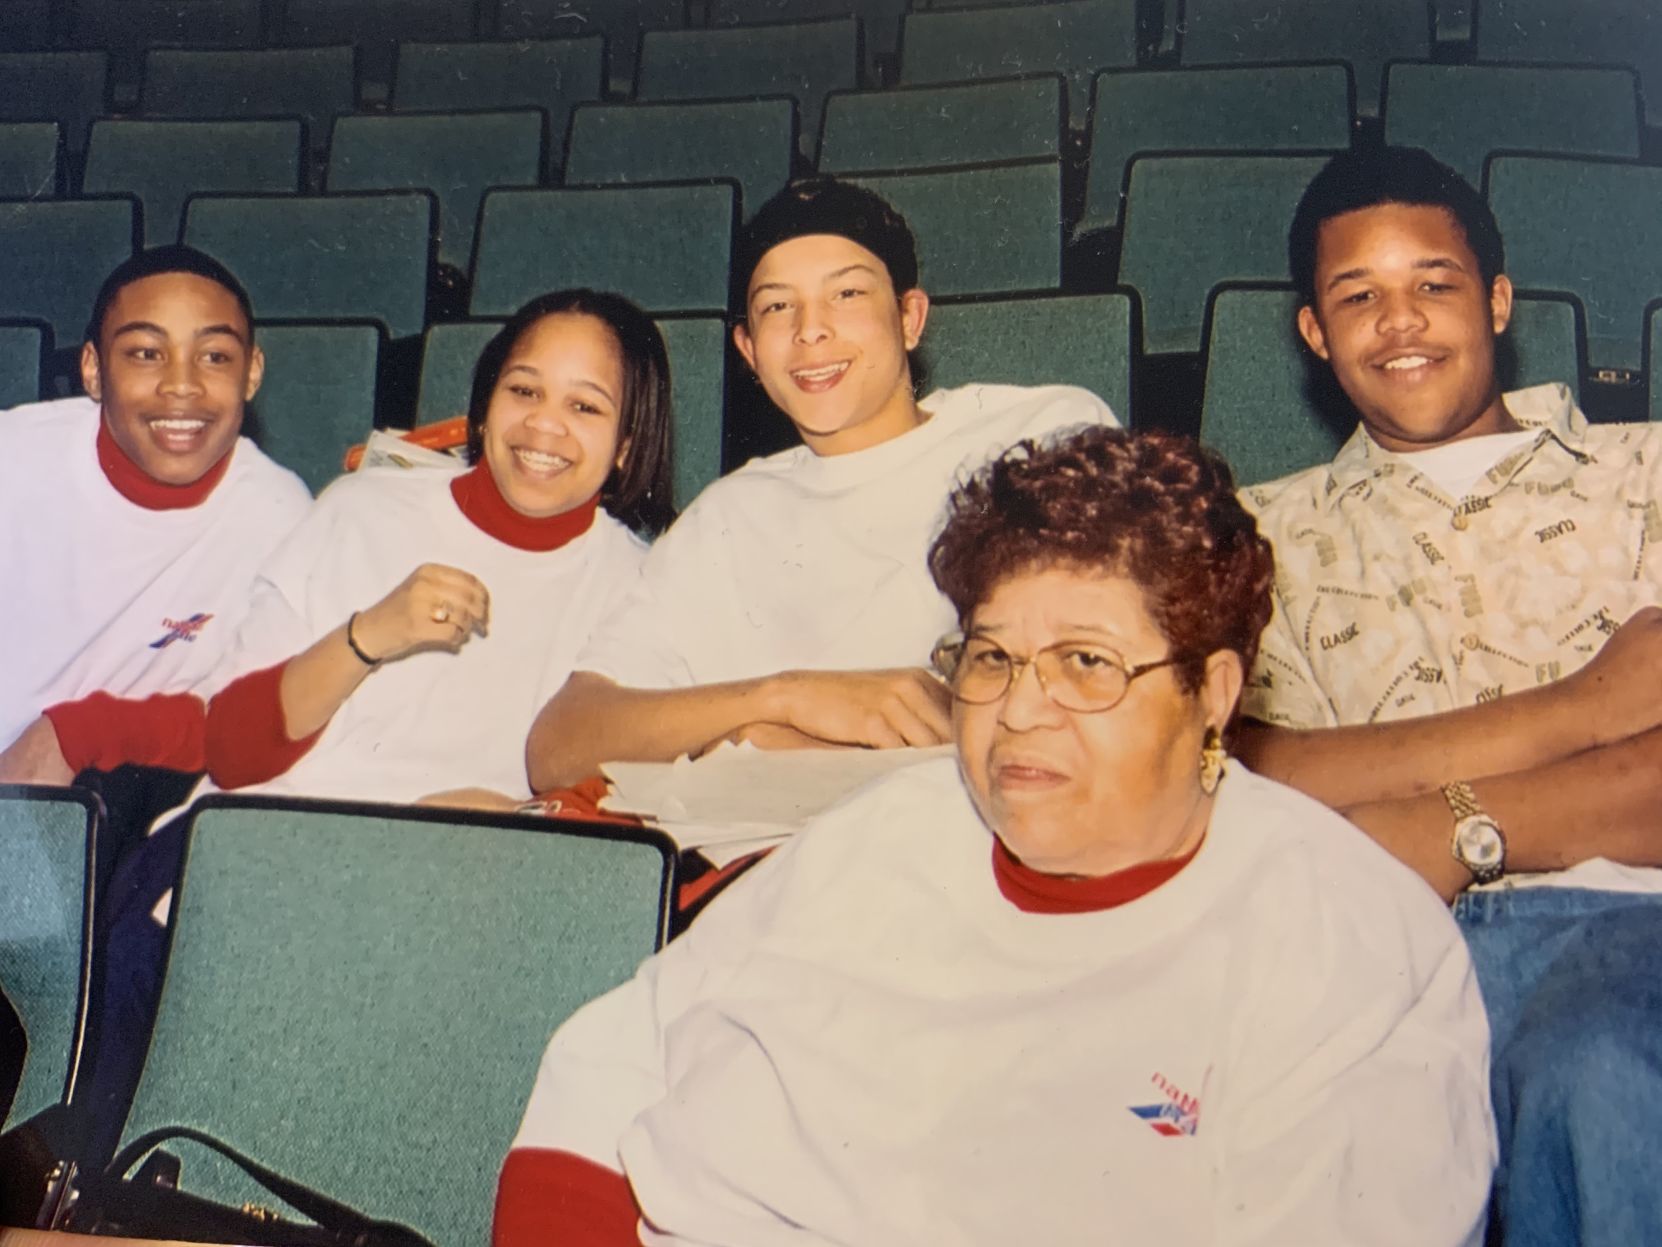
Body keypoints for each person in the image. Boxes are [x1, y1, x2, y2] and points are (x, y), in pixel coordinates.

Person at [496, 427, 1495, 1247]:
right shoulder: (888, 829)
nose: (1021, 709)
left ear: (1213, 693)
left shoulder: (1351, 945)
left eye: (1087, 662)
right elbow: (615, 1052)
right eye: (991, 658)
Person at [85, 290, 675, 1158]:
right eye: (523, 391)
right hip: (254, 863)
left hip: (450, 909)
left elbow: (621, 801)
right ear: (484, 406)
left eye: (585, 406)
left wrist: (517, 822)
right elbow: (234, 752)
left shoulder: (638, 585)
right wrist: (368, 637)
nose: (544, 426)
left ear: (626, 443)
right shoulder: (366, 512)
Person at [1234, 145, 1662, 1246]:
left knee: (1598, 1078)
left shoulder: (1648, 472)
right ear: (1315, 335)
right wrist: (1592, 710)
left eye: (1435, 283)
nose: (1402, 321)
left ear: (1500, 302)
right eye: (1357, 297)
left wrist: (1434, 820)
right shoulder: (1257, 532)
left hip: (1632, 928)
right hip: (1370, 941)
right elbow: (1237, 775)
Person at [527, 177, 1116, 790]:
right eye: (778, 306)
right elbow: (559, 745)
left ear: (910, 318)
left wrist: (770, 745)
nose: (811, 330)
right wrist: (787, 699)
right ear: (749, 351)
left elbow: (1082, 687)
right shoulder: (726, 517)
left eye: (848, 294)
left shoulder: (1040, 435)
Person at [0, 246, 309, 782]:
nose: (181, 386)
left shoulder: (280, 518)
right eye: (146, 353)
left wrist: (73, 734)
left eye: (214, 356)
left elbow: (248, 722)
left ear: (252, 372)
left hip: (89, 802)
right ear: (94, 370)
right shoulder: (15, 456)